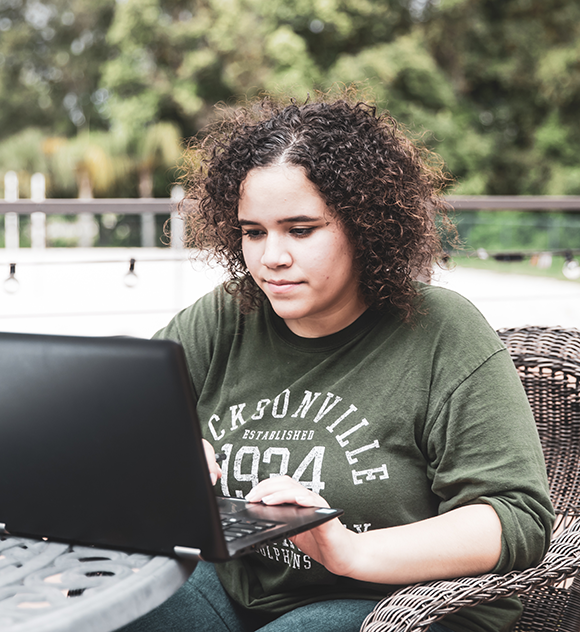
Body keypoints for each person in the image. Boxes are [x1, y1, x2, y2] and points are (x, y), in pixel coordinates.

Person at [120, 89, 554, 632]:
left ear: (364, 224)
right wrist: (163, 455)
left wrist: (345, 549)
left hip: (393, 600)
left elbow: (516, 519)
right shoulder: (226, 316)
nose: (271, 258)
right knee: (104, 603)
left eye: (300, 230)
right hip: (239, 588)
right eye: (253, 233)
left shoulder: (443, 331)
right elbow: (125, 419)